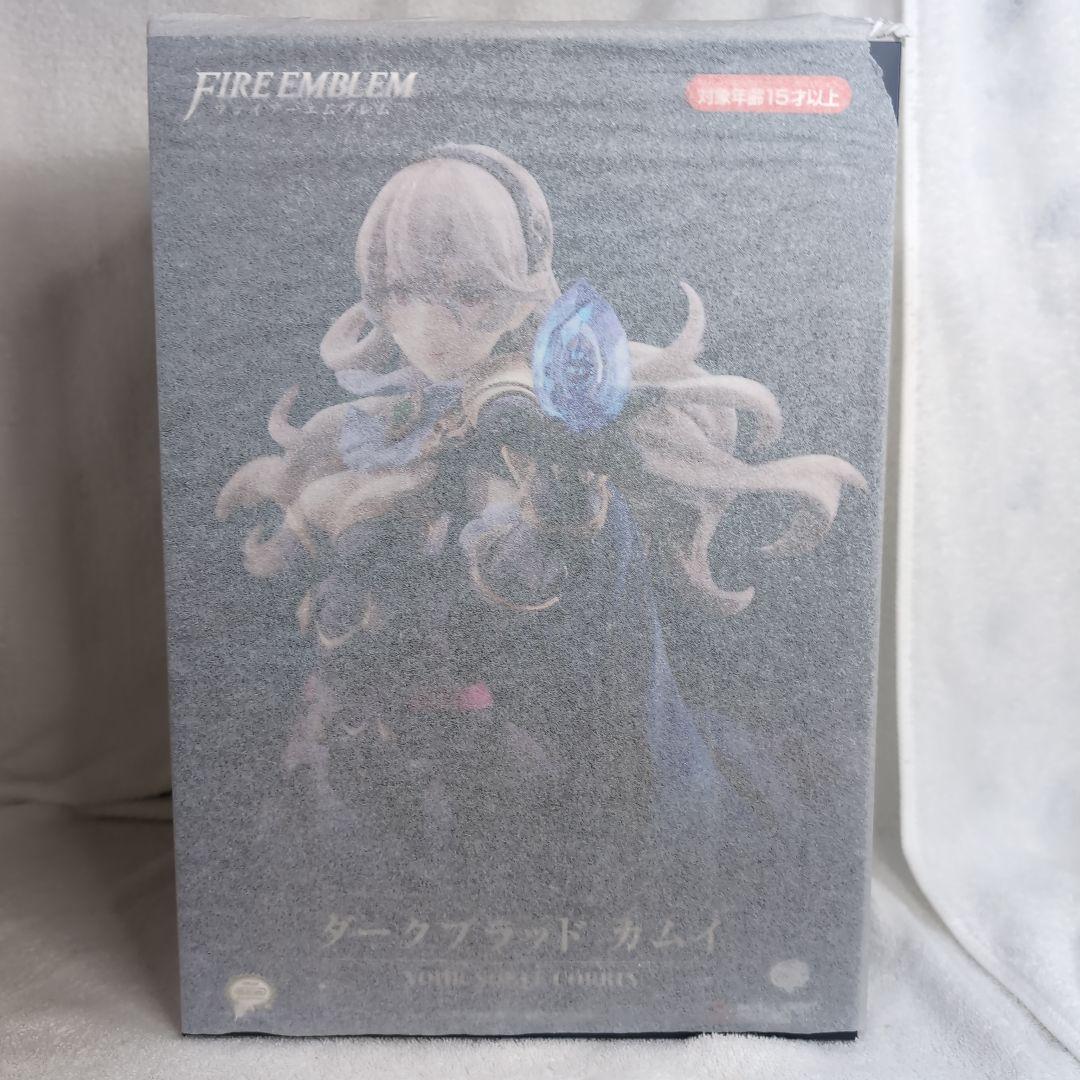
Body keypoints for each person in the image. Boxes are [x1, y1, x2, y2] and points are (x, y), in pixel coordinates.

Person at [217, 144, 866, 915]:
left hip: (572, 775)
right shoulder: (389, 428)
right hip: (416, 770)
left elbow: (547, 585)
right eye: (400, 291)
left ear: (516, 288)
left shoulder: (535, 413)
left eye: (466, 291)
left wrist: (544, 494)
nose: (430, 321)